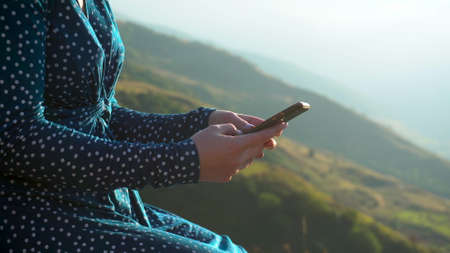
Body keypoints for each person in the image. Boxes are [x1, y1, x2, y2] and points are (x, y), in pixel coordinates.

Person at [0, 0, 287, 252]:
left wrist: (199, 123)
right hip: (33, 209)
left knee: (229, 250)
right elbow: (15, 138)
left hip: (103, 199)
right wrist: (186, 160)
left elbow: (102, 115)